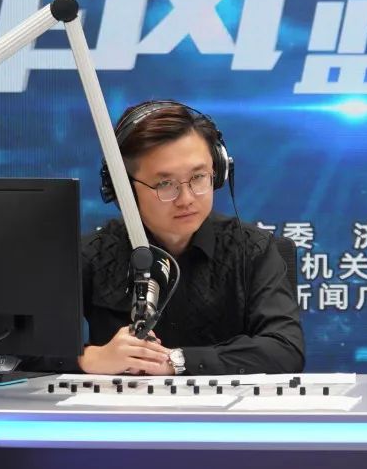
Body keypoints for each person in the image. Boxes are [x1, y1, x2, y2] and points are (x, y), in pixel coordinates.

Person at [75, 99, 304, 376]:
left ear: (218, 171)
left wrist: (176, 361)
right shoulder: (92, 255)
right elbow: (28, 349)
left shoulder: (252, 249)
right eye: (165, 183)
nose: (186, 199)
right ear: (123, 189)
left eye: (198, 177)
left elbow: (285, 349)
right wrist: (89, 358)